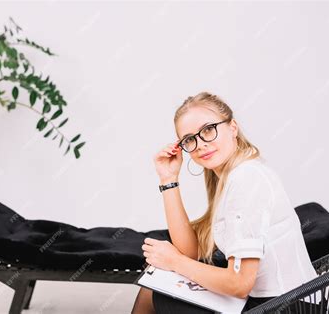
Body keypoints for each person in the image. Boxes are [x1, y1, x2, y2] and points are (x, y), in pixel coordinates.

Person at [131, 92, 319, 313]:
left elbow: (239, 284)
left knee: (156, 292)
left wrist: (173, 261)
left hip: (287, 306)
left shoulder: (248, 179)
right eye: (190, 139)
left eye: (208, 129)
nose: (200, 144)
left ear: (233, 128)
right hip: (269, 302)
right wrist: (168, 179)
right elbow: (190, 252)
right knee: (154, 286)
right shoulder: (231, 178)